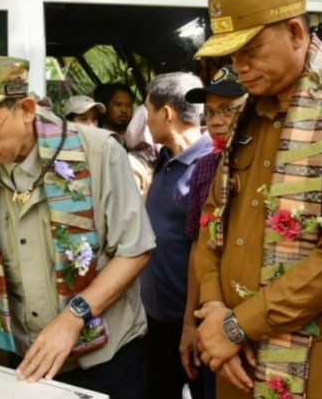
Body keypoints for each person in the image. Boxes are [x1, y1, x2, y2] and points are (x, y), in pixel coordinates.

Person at [0, 56, 155, 398]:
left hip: (107, 362)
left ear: (26, 109)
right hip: (29, 362)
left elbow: (135, 252)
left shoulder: (99, 153)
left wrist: (73, 318)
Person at [192, 0, 322, 398]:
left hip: (315, 362)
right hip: (231, 358)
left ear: (296, 32)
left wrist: (238, 325)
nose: (238, 67)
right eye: (231, 54)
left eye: (249, 49)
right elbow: (211, 223)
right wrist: (215, 310)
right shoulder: (244, 114)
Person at [138, 71, 211, 399]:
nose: (144, 120)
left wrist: (190, 325)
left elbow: (206, 250)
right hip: (157, 316)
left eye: (147, 111)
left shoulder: (210, 165)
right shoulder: (163, 158)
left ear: (166, 113)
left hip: (194, 322)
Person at [180, 65, 247, 399]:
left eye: (227, 110)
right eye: (210, 113)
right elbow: (198, 245)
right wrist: (190, 323)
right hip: (212, 313)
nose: (217, 121)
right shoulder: (205, 166)